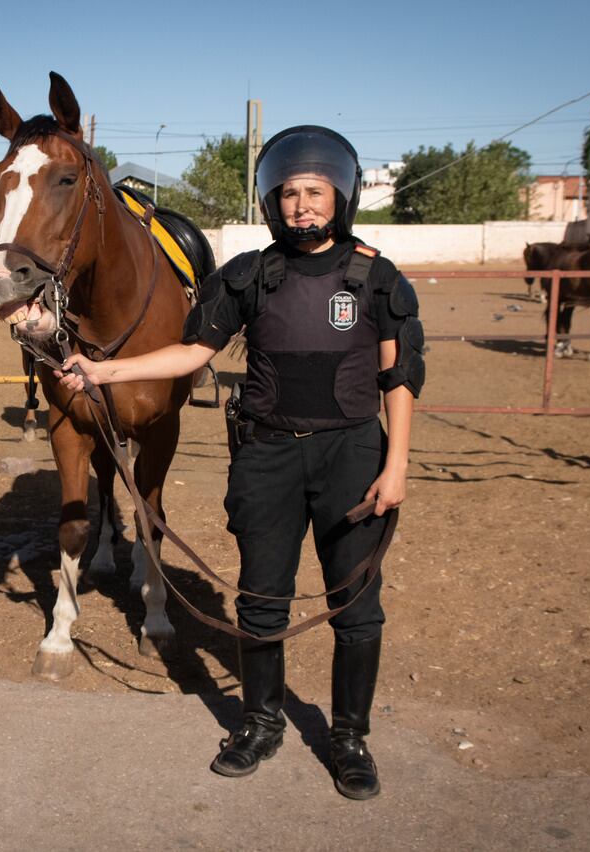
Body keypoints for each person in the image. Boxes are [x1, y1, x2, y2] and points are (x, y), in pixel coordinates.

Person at [58, 125, 423, 798]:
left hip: (351, 457)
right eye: (288, 194)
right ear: (270, 201)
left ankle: (349, 738)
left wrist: (395, 465)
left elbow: (400, 380)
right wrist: (104, 372)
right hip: (268, 460)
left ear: (341, 196)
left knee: (357, 609)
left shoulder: (376, 277)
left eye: (315, 192)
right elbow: (192, 354)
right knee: (260, 601)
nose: (301, 206)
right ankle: (260, 722)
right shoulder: (250, 276)